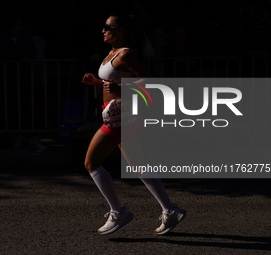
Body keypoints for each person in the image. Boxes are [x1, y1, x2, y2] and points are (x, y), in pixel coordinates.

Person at [82, 13, 186, 235]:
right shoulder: (111, 53)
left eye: (107, 27)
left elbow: (149, 80)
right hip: (114, 115)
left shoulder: (125, 54)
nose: (102, 30)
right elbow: (113, 84)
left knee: (91, 162)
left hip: (123, 116)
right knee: (139, 165)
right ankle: (169, 210)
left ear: (120, 31)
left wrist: (122, 89)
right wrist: (97, 82)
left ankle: (118, 212)